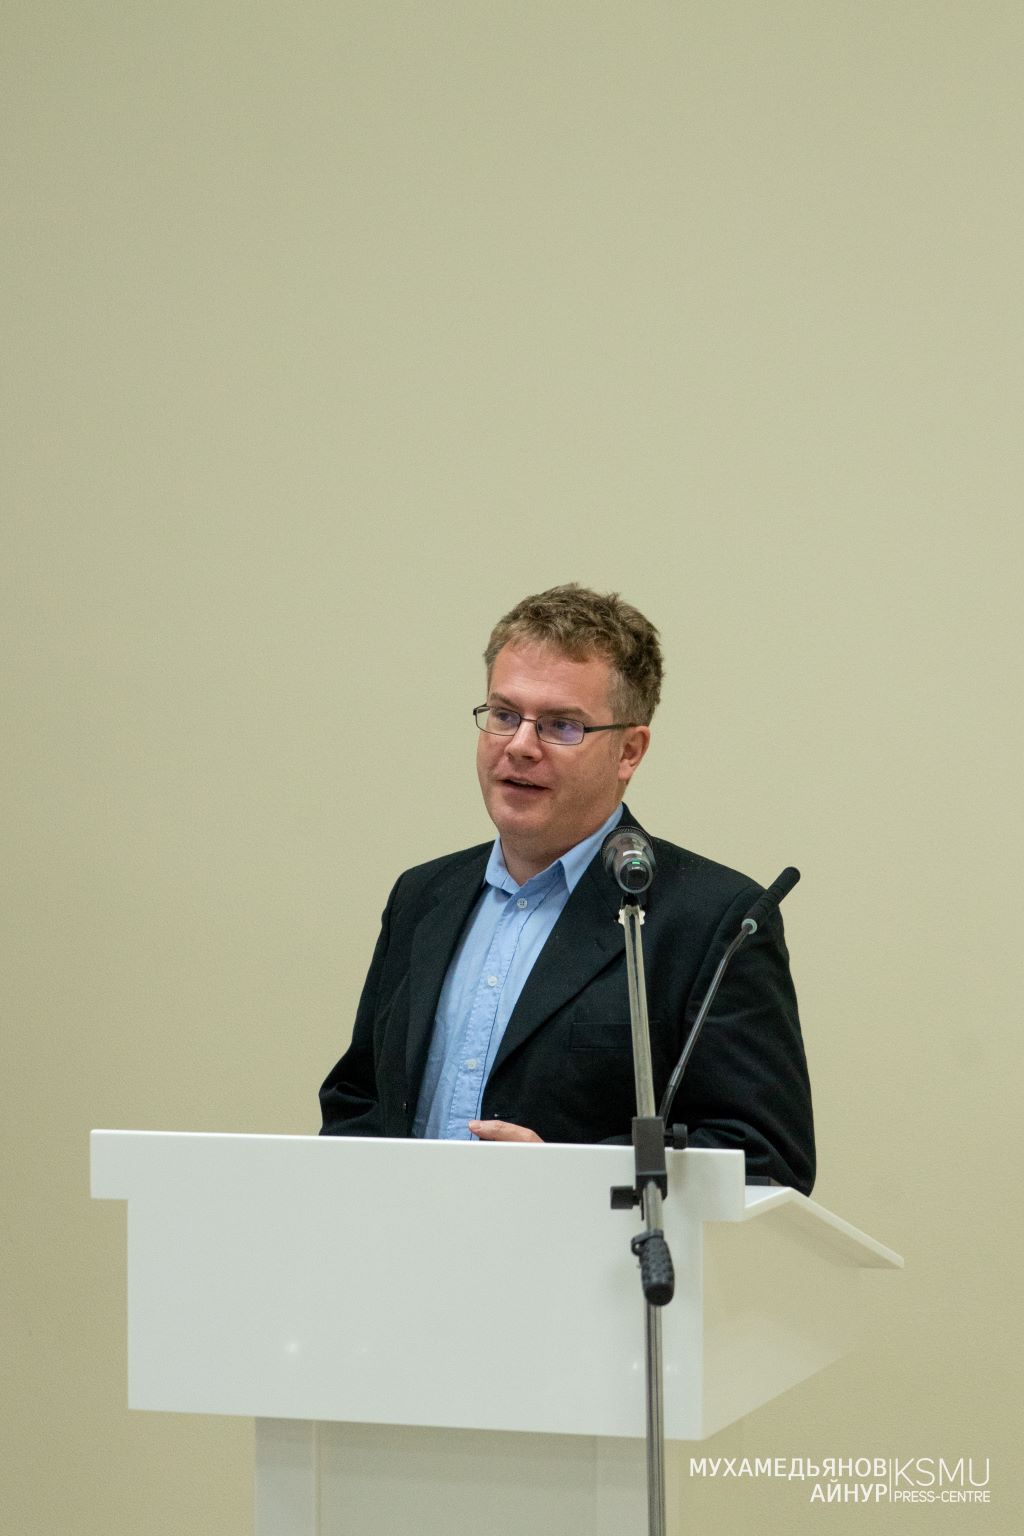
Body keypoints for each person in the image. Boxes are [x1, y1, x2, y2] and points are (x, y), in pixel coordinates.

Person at [319, 584, 815, 1193]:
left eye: (562, 726)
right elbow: (359, 1099)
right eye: (504, 715)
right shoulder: (423, 896)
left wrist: (568, 1177)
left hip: (583, 1254)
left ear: (629, 751)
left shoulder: (713, 921)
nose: (520, 746)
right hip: (403, 1247)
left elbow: (766, 1156)